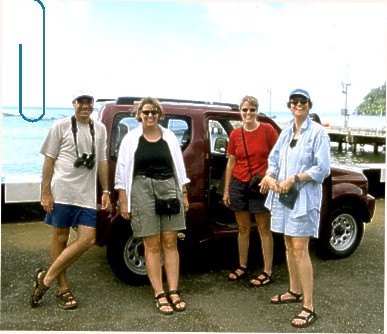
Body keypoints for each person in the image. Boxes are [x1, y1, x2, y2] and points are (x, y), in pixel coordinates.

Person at [30, 94, 111, 309]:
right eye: (80, 102)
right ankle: (62, 288)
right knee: (61, 236)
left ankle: (45, 278)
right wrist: (45, 192)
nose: (85, 106)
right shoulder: (60, 126)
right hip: (62, 191)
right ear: (74, 105)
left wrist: (106, 191)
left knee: (88, 239)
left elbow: (102, 161)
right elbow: (49, 161)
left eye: (88, 103)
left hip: (86, 194)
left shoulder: (100, 128)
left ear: (93, 105)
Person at [260, 88, 330, 328]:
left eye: (303, 102)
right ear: (289, 106)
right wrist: (270, 176)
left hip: (303, 198)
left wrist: (296, 178)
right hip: (283, 197)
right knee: (289, 245)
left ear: (309, 105)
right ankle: (294, 290)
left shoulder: (318, 133)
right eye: (294, 102)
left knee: (300, 249)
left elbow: (322, 169)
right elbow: (274, 159)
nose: (298, 105)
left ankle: (309, 306)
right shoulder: (287, 131)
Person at [115, 97, 190, 315]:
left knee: (170, 242)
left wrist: (183, 193)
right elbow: (122, 170)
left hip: (169, 187)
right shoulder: (130, 139)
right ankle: (159, 293)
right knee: (152, 244)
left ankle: (174, 290)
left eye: (154, 112)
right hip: (141, 189)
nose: (150, 116)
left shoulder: (169, 137)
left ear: (159, 114)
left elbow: (179, 166)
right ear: (139, 114)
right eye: (146, 112)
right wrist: (123, 199)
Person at [223, 95, 278, 286]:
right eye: (245, 109)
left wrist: (270, 177)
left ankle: (267, 271)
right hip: (239, 183)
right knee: (243, 228)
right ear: (240, 112)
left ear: (257, 111)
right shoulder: (235, 134)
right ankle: (242, 266)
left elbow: (277, 157)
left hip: (260, 184)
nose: (248, 113)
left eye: (252, 109)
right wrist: (227, 190)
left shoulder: (267, 130)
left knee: (263, 228)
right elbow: (231, 162)